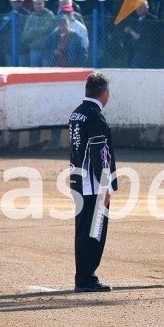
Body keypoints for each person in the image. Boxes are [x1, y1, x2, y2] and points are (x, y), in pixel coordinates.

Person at [68, 71, 117, 292]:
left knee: (82, 230)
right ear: (104, 93)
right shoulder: (95, 116)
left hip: (79, 181)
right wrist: (105, 185)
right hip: (94, 185)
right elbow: (100, 155)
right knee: (95, 231)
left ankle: (83, 275)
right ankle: (87, 278)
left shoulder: (77, 113)